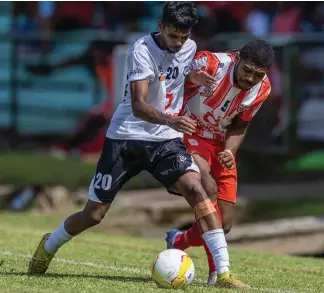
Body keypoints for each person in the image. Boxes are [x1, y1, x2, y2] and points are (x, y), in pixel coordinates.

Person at [27, 2, 249, 289]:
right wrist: (173, 121)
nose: (178, 42)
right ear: (160, 26)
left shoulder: (189, 48)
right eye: (173, 35)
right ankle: (49, 245)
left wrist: (191, 78)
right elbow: (139, 105)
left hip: (165, 142)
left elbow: (178, 77)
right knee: (94, 214)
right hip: (126, 139)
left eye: (183, 36)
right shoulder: (141, 50)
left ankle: (223, 273)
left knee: (199, 188)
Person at [166, 40, 274, 285]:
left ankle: (178, 241)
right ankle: (218, 273)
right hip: (190, 132)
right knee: (208, 186)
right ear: (237, 58)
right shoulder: (211, 63)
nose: (250, 78)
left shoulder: (263, 88)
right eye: (247, 69)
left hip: (219, 142)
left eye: (259, 74)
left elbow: (240, 125)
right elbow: (172, 83)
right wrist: (192, 77)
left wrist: (229, 150)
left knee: (223, 224)